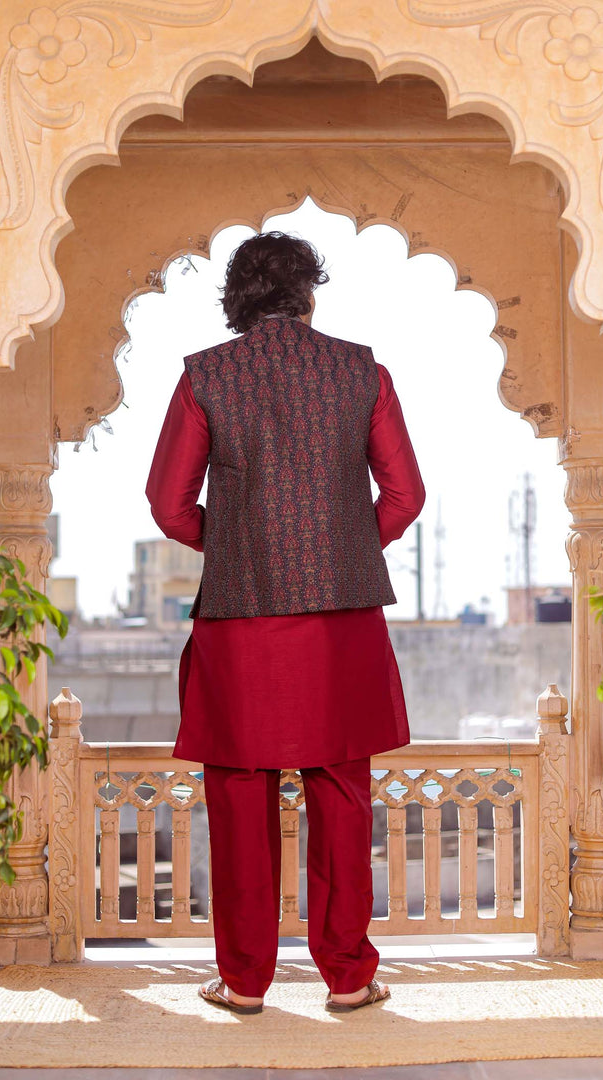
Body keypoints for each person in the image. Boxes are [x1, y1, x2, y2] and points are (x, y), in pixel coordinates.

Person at [146, 231, 426, 1015]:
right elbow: (404, 496)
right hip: (341, 626)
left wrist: (237, 543)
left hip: (241, 621)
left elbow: (169, 504)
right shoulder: (362, 372)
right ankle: (349, 978)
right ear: (310, 294)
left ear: (237, 302)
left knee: (240, 801)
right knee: (341, 796)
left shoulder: (206, 376)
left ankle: (242, 983)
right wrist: (337, 546)